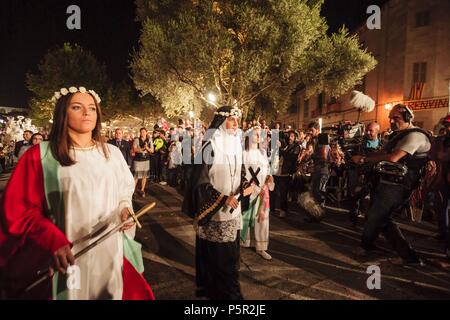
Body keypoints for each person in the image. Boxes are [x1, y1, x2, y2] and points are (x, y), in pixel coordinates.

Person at [0, 87, 153, 299]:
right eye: (77, 107)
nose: (87, 113)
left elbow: (123, 192)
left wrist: (125, 209)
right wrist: (53, 240)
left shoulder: (113, 153)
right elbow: (20, 211)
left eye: (91, 108)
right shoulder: (41, 156)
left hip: (109, 252)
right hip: (65, 257)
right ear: (63, 113)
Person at [182, 105, 253, 300]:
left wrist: (246, 186)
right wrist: (223, 198)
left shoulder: (236, 144)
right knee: (221, 265)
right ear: (221, 122)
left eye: (237, 120)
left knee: (230, 261)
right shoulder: (210, 146)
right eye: (232, 119)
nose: (236, 124)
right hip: (215, 215)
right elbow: (199, 183)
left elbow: (240, 173)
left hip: (233, 214)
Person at [351, 104, 431, 265]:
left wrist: (365, 159)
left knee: (380, 216)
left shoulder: (415, 135)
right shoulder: (398, 136)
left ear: (408, 118)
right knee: (376, 215)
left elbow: (394, 157)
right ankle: (369, 245)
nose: (392, 121)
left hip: (400, 184)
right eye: (390, 118)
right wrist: (361, 155)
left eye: (397, 118)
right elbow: (383, 153)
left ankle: (409, 256)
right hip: (388, 181)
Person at [241, 127, 274, 260]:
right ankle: (244, 241)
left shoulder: (263, 153)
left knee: (262, 219)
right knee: (245, 216)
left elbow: (267, 170)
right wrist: (253, 188)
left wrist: (270, 178)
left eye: (260, 134)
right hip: (249, 189)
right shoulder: (243, 153)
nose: (259, 136)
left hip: (262, 190)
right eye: (256, 134)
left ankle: (261, 247)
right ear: (249, 136)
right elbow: (242, 173)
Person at [133, 128, 152, 197]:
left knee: (144, 176)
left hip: (146, 160)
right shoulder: (136, 139)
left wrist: (147, 148)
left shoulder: (149, 140)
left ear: (146, 132)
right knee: (136, 176)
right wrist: (142, 149)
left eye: (144, 132)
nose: (142, 133)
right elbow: (134, 149)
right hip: (138, 160)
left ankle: (142, 190)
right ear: (140, 133)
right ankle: (133, 190)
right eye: (141, 132)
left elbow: (152, 150)